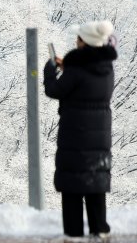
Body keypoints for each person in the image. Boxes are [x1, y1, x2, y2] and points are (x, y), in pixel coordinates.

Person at [43, 20, 117, 240]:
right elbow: (85, 81)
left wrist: (50, 70)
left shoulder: (76, 70)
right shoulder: (106, 67)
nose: (76, 42)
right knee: (95, 181)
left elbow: (55, 90)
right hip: (99, 133)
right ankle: (99, 230)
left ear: (84, 42)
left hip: (75, 131)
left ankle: (74, 234)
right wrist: (68, 67)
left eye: (78, 39)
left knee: (72, 183)